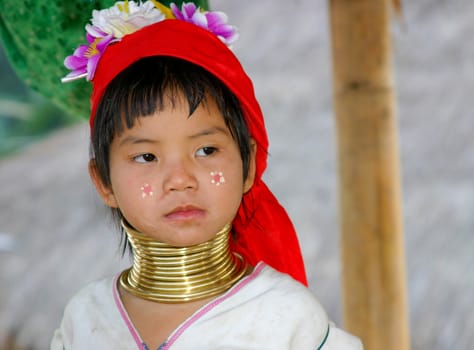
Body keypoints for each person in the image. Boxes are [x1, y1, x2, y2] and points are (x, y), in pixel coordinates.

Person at [51, 1, 363, 349]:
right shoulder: (85, 318)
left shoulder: (287, 317)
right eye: (146, 156)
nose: (180, 178)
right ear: (103, 182)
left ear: (249, 164)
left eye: (206, 151)